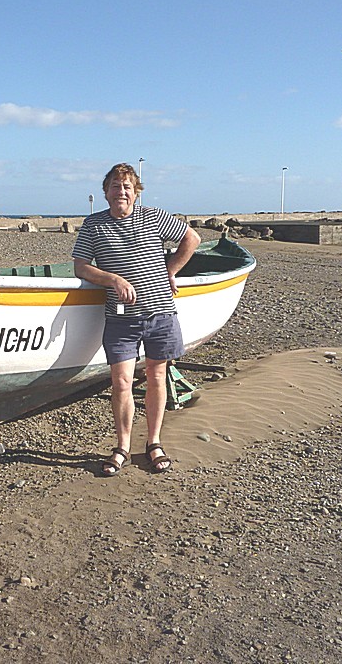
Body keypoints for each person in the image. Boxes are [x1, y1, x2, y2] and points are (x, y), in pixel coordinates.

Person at [72, 163, 201, 476]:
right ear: (106, 193)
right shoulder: (94, 225)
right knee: (122, 382)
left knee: (157, 377)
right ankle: (122, 447)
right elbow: (80, 267)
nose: (122, 192)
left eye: (127, 187)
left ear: (136, 192)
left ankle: (154, 443)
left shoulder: (153, 216)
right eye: (115, 187)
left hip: (160, 313)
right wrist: (112, 279)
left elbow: (192, 239)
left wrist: (170, 271)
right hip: (121, 317)